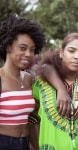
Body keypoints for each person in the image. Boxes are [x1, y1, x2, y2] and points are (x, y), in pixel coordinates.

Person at [32, 32, 78, 150]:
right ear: (61, 53)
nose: (77, 56)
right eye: (71, 51)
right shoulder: (41, 84)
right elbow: (31, 120)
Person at [0, 14, 45, 149]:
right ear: (8, 46)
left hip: (25, 143)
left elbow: (32, 120)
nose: (29, 54)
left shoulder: (28, 79)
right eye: (23, 48)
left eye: (32, 50)